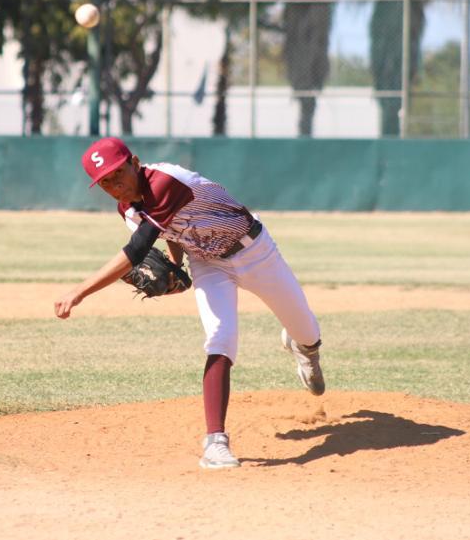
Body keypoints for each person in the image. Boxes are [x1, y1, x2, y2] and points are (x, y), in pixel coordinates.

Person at [54, 136, 324, 469]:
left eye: (118, 173)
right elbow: (168, 232)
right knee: (220, 338)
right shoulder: (128, 210)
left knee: (307, 331)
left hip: (255, 252)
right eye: (105, 182)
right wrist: (175, 263)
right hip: (208, 264)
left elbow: (137, 250)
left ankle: (304, 348)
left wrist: (79, 291)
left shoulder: (164, 181)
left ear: (135, 162)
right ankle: (215, 442)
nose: (115, 185)